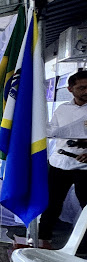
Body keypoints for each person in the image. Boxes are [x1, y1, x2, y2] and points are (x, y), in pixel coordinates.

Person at [38, 70, 87, 242]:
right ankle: (43, 239)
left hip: (84, 166)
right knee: (52, 203)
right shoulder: (62, 109)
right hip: (60, 162)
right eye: (81, 88)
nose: (86, 91)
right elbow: (52, 129)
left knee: (86, 206)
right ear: (70, 89)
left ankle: (82, 245)